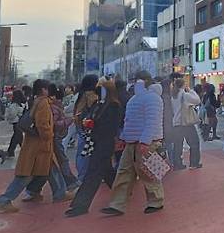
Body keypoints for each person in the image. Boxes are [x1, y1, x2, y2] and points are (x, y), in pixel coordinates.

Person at [0, 79, 70, 213]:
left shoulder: (36, 102)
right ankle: (4, 200)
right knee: (26, 175)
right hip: (40, 146)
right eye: (47, 88)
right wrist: (49, 135)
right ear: (43, 90)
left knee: (50, 168)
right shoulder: (43, 104)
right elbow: (43, 125)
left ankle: (59, 192)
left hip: (38, 146)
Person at [101, 71, 164, 216]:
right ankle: (117, 204)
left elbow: (152, 122)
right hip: (133, 142)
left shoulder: (152, 99)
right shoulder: (135, 99)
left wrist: (145, 141)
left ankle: (156, 201)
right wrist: (124, 138)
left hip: (146, 142)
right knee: (124, 172)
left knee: (149, 173)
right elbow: (128, 121)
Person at [66, 80, 122, 217]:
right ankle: (123, 193)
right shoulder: (101, 104)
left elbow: (111, 126)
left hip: (103, 143)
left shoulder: (114, 106)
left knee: (93, 175)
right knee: (106, 172)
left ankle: (80, 205)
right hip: (98, 142)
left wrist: (93, 124)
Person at [170, 77, 202, 170]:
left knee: (178, 145)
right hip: (186, 124)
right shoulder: (184, 95)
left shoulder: (173, 96)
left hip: (176, 123)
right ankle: (194, 163)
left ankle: (177, 164)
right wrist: (191, 91)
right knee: (194, 143)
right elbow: (197, 100)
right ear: (183, 85)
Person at [73, 75, 100, 181]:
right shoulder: (92, 95)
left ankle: (82, 175)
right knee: (87, 152)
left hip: (81, 127)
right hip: (89, 127)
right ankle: (84, 176)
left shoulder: (80, 95)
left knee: (82, 152)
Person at [5, 89, 26, 157]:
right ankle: (11, 152)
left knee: (17, 138)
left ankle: (12, 152)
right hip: (21, 122)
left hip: (16, 122)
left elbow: (12, 114)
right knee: (18, 137)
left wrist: (8, 117)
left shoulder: (14, 105)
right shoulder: (23, 104)